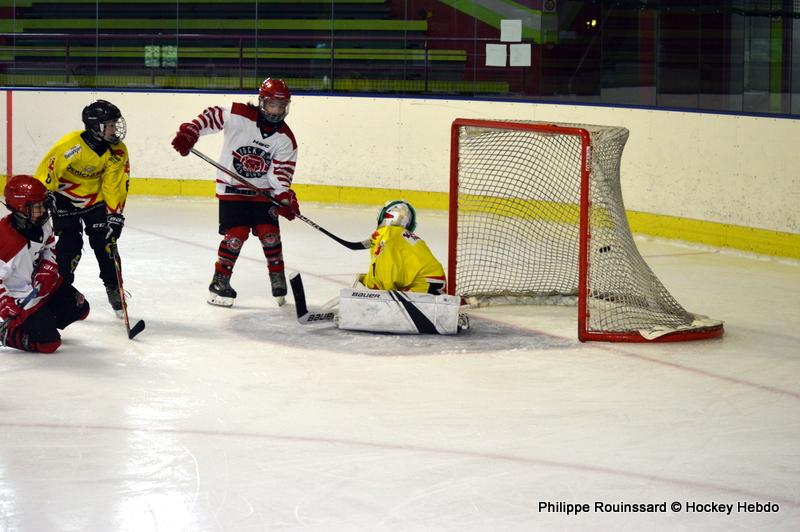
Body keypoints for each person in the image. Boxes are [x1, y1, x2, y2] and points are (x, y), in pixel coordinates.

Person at [170, 77, 300, 307]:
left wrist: (284, 197)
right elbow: (212, 116)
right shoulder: (239, 114)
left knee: (270, 235)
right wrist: (192, 130)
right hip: (232, 189)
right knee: (235, 236)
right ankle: (219, 282)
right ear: (262, 102)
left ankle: (277, 276)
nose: (276, 111)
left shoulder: (286, 139)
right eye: (272, 105)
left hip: (262, 192)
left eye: (281, 106)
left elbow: (279, 174)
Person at [33, 99, 130, 318]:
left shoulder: (117, 151)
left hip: (95, 201)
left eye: (115, 124)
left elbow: (114, 184)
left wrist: (114, 214)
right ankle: (59, 290)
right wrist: (45, 195)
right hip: (65, 200)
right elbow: (49, 170)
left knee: (106, 243)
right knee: (70, 246)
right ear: (95, 126)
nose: (114, 129)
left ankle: (114, 288)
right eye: (110, 125)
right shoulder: (71, 145)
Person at [0, 175, 90, 353]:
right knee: (48, 344)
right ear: (20, 208)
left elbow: (49, 248)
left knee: (81, 308)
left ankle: (43, 318)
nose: (44, 210)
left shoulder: (41, 222)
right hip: (20, 299)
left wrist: (47, 269)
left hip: (43, 288)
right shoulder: (5, 240)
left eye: (44, 204)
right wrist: (5, 303)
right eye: (37, 206)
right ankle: (8, 333)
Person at [359, 200, 447, 294]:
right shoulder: (404, 237)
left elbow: (384, 277)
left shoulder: (389, 234)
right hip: (432, 284)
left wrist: (371, 288)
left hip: (425, 288)